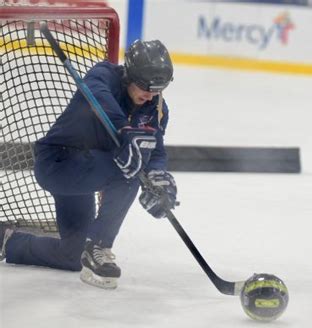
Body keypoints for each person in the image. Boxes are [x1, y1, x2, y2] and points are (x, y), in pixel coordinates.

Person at [0, 39, 178, 290]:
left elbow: (154, 149)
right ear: (129, 74)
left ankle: (7, 241)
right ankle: (100, 245)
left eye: (159, 87)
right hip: (58, 163)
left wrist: (159, 177)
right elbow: (97, 93)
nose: (150, 94)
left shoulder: (157, 107)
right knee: (127, 172)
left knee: (72, 255)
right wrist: (124, 129)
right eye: (144, 85)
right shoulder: (104, 75)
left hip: (86, 174)